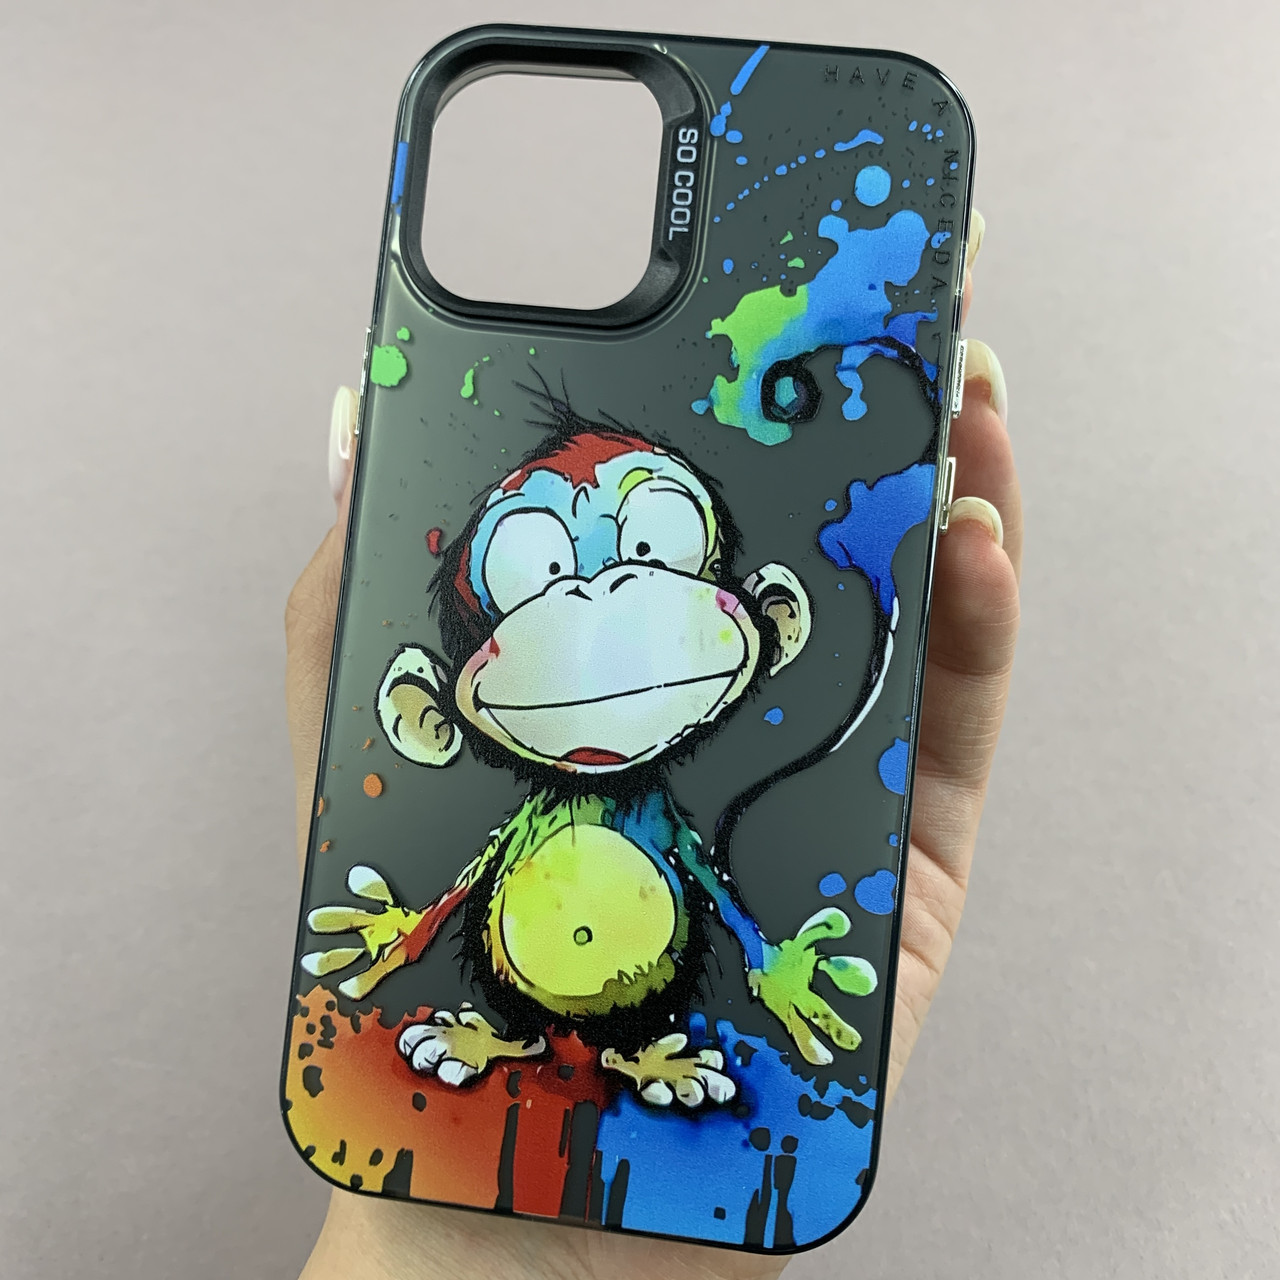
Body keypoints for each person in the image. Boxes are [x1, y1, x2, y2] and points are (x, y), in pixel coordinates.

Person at [283, 212, 1020, 1280]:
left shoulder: (652, 811)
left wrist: (769, 966)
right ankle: (513, 1035)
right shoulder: (541, 798)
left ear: (769, 620)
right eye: (536, 573)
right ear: (429, 704)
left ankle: (631, 1054)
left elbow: (705, 884)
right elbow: (479, 876)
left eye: (652, 546)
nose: (603, 600)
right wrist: (404, 935)